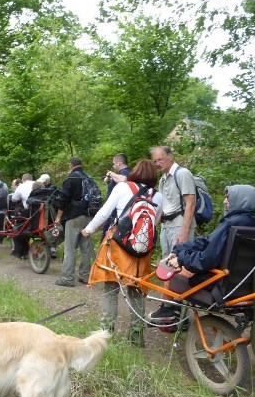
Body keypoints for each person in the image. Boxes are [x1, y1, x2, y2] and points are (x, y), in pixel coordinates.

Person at [81, 159, 161, 344]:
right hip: (141, 251)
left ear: (134, 172)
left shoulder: (123, 187)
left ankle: (105, 333)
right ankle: (136, 335)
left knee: (111, 288)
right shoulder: (156, 195)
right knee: (136, 291)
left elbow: (104, 213)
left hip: (118, 246)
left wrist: (88, 230)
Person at [153, 184, 255, 322]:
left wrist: (181, 259)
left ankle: (168, 314)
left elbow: (207, 258)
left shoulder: (230, 225)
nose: (224, 201)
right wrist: (180, 250)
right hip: (240, 284)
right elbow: (208, 241)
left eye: (228, 198)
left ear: (241, 200)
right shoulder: (252, 225)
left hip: (216, 282)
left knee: (170, 274)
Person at [149, 145, 196, 320]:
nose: (158, 163)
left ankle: (182, 312)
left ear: (171, 157)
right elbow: (163, 206)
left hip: (180, 225)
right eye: (155, 161)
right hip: (167, 226)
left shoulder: (182, 174)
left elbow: (191, 203)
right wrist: (153, 226)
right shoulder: (163, 179)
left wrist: (184, 232)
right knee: (167, 266)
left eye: (160, 159)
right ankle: (170, 308)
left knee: (181, 267)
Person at [53, 157, 95, 287]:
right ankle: (85, 276)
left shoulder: (71, 179)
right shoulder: (89, 178)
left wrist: (58, 217)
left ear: (71, 165)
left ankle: (67, 278)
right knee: (86, 248)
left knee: (70, 248)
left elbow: (63, 199)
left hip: (74, 217)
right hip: (89, 216)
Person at [101, 153, 132, 239]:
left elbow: (123, 179)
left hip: (115, 213)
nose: (113, 165)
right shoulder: (121, 173)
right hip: (113, 211)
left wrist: (111, 173)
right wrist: (110, 180)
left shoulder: (125, 172)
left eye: (114, 163)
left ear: (119, 163)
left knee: (107, 236)